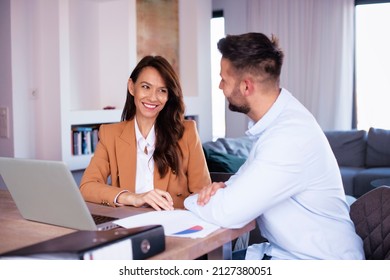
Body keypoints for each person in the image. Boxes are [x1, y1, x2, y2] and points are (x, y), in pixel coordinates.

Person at [184, 33, 365, 260]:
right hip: (288, 253)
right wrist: (222, 193)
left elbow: (227, 211)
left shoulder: (288, 137)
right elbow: (236, 187)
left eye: (224, 79)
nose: (220, 86)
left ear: (246, 86)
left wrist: (190, 199)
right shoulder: (276, 124)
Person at [80, 55, 211, 211]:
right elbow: (87, 187)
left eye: (162, 90)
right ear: (131, 87)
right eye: (145, 87)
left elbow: (203, 193)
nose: (153, 97)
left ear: (169, 96)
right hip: (128, 225)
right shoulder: (110, 135)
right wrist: (133, 197)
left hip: (173, 224)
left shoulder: (187, 133)